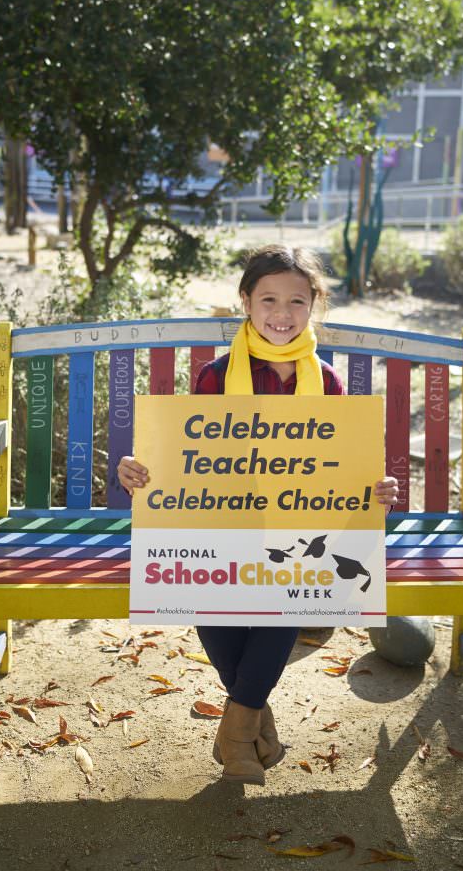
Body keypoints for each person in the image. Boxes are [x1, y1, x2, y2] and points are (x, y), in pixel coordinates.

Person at [118, 244, 398, 786]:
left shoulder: (328, 382)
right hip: (221, 522)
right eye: (268, 298)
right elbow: (185, 456)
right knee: (207, 585)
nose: (282, 313)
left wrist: (375, 486)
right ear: (245, 301)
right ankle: (251, 716)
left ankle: (237, 727)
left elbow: (341, 463)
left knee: (288, 584)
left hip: (297, 527)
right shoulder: (214, 377)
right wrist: (139, 469)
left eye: (297, 301)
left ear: (313, 305)